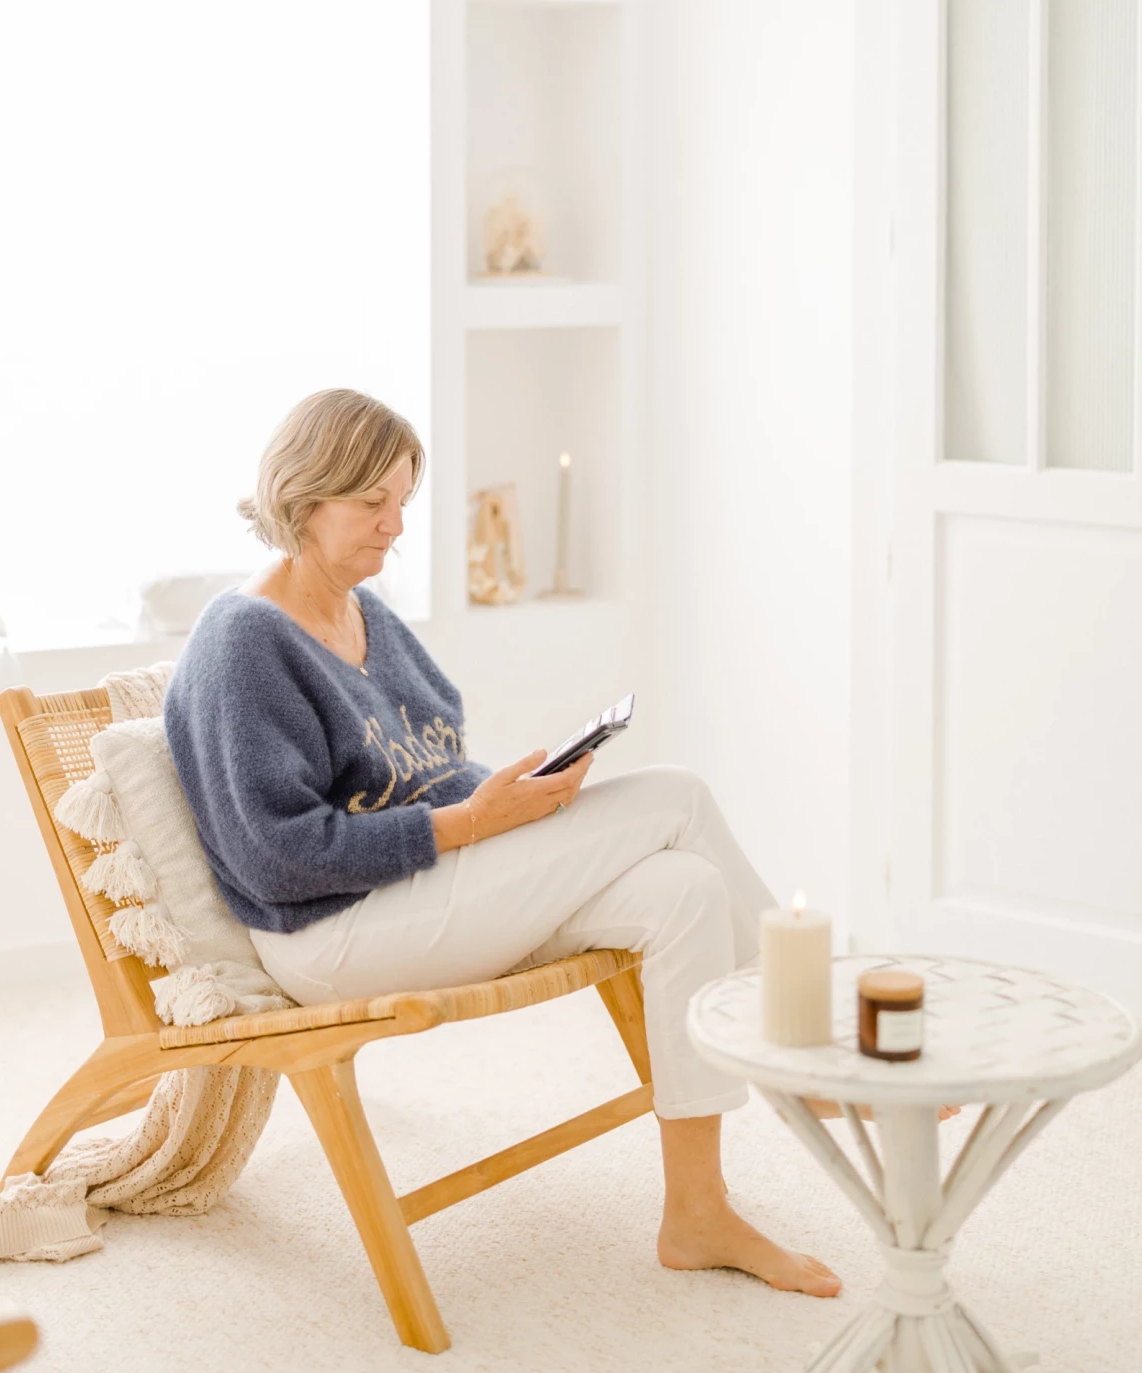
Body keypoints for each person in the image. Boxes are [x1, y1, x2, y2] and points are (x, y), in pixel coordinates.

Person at [165, 388, 842, 1298]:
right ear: (304, 495)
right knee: (677, 797)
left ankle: (697, 1214)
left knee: (686, 891)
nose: (395, 526)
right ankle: (815, 1049)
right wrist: (475, 826)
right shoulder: (243, 641)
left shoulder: (370, 614)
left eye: (403, 501)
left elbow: (430, 770)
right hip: (330, 935)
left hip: (426, 891)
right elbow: (276, 856)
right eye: (373, 503)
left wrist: (524, 807)